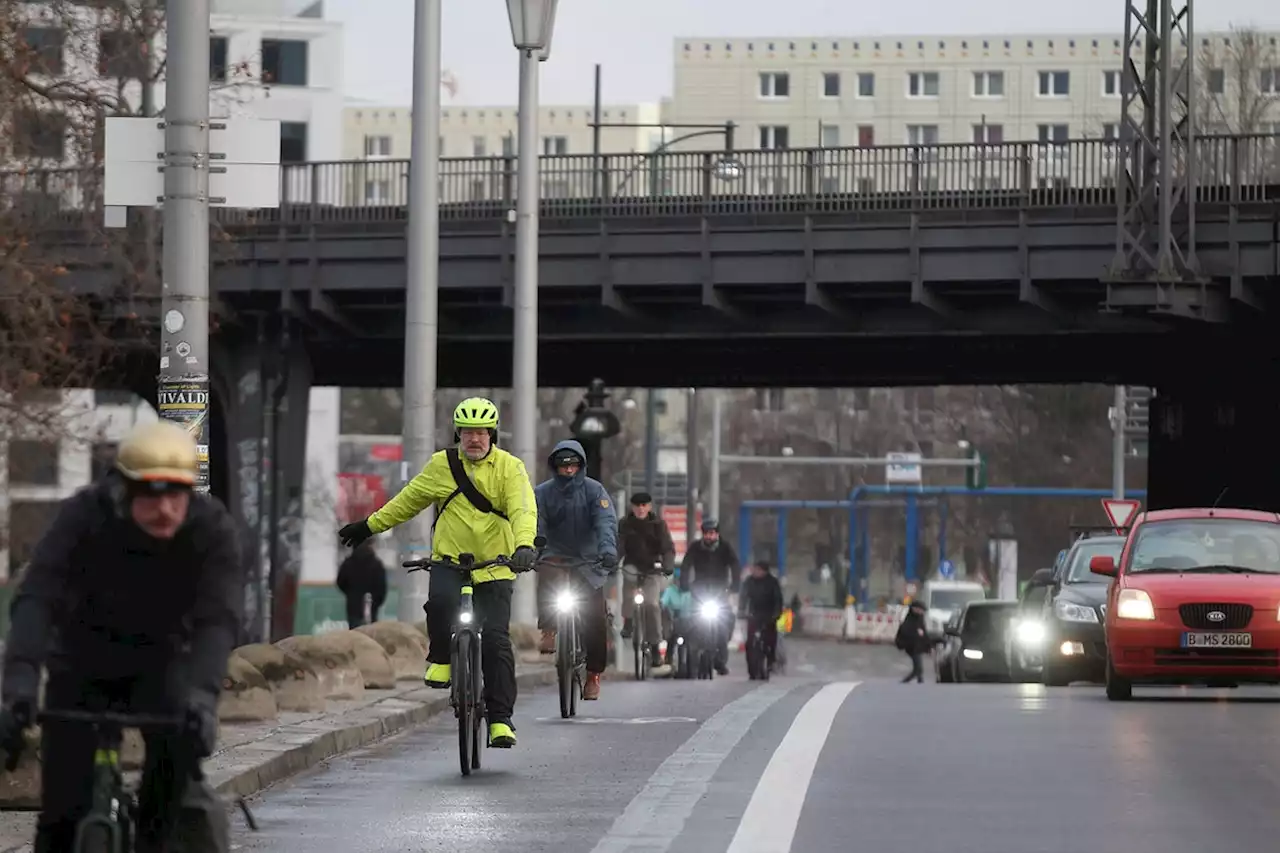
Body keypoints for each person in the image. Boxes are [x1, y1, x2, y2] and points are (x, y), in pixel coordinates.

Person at [0, 420, 245, 853]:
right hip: (80, 663)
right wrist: (18, 687)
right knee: (61, 813)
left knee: (172, 786)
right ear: (124, 491)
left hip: (163, 662)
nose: (167, 509)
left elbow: (217, 620)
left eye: (177, 495)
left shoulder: (210, 530)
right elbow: (37, 598)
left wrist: (203, 698)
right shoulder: (83, 517)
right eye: (152, 496)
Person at [337, 397, 537, 748]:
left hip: (497, 565)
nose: (474, 440)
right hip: (450, 560)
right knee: (441, 603)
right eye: (467, 433)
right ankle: (441, 657)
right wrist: (369, 526)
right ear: (457, 434)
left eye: (481, 433)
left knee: (495, 640)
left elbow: (522, 509)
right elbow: (408, 501)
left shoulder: (510, 468)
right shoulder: (441, 465)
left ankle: (500, 720)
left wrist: (523, 546)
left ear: (493, 435)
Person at [533, 440, 618, 700]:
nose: (568, 470)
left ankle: (593, 675)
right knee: (547, 579)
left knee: (595, 616)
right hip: (555, 554)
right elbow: (535, 521)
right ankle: (549, 629)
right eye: (563, 466)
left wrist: (607, 550)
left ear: (580, 466)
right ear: (554, 467)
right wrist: (534, 547)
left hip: (588, 559)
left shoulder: (595, 491)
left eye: (573, 466)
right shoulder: (542, 493)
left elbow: (606, 522)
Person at [617, 491, 675, 668]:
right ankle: (628, 621)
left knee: (651, 604)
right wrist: (611, 561)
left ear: (649, 507)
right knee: (628, 588)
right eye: (637, 506)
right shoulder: (625, 524)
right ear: (632, 507)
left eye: (644, 506)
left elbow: (667, 548)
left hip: (653, 569)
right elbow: (618, 545)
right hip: (632, 565)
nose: (640, 509)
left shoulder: (659, 525)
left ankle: (655, 645)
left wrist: (668, 565)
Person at [679, 518, 740, 675]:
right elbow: (686, 565)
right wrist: (684, 584)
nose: (709, 537)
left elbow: (735, 566)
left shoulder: (725, 548)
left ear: (717, 534)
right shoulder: (695, 548)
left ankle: (721, 659)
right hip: (700, 591)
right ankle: (692, 651)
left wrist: (735, 585)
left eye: (712, 533)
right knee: (692, 621)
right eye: (706, 533)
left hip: (720, 592)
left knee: (724, 623)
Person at [740, 561, 784, 670]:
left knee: (770, 637)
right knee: (750, 641)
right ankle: (751, 665)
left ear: (764, 571)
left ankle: (770, 659)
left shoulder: (772, 582)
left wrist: (776, 613)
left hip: (768, 614)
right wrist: (741, 610)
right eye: (755, 569)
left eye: (758, 570)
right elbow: (743, 597)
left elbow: (778, 599)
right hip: (754, 613)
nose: (756, 572)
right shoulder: (749, 581)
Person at [336, 540, 388, 628]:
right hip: (371, 607)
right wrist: (376, 602)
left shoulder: (348, 563)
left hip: (353, 607)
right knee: (371, 635)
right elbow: (382, 588)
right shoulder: (376, 564)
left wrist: (350, 594)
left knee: (355, 636)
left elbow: (340, 582)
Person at [895, 601, 931, 684]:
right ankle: (907, 681)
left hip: (918, 646)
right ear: (915, 609)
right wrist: (917, 632)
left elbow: (924, 633)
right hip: (911, 646)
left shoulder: (920, 618)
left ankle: (919, 681)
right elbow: (905, 632)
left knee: (918, 668)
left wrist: (929, 646)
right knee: (918, 667)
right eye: (920, 610)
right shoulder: (909, 619)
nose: (922, 612)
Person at [660, 583, 695, 666]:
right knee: (671, 639)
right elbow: (663, 602)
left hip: (691, 622)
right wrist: (663, 607)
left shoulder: (693, 591)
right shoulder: (670, 590)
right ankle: (668, 660)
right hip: (675, 622)